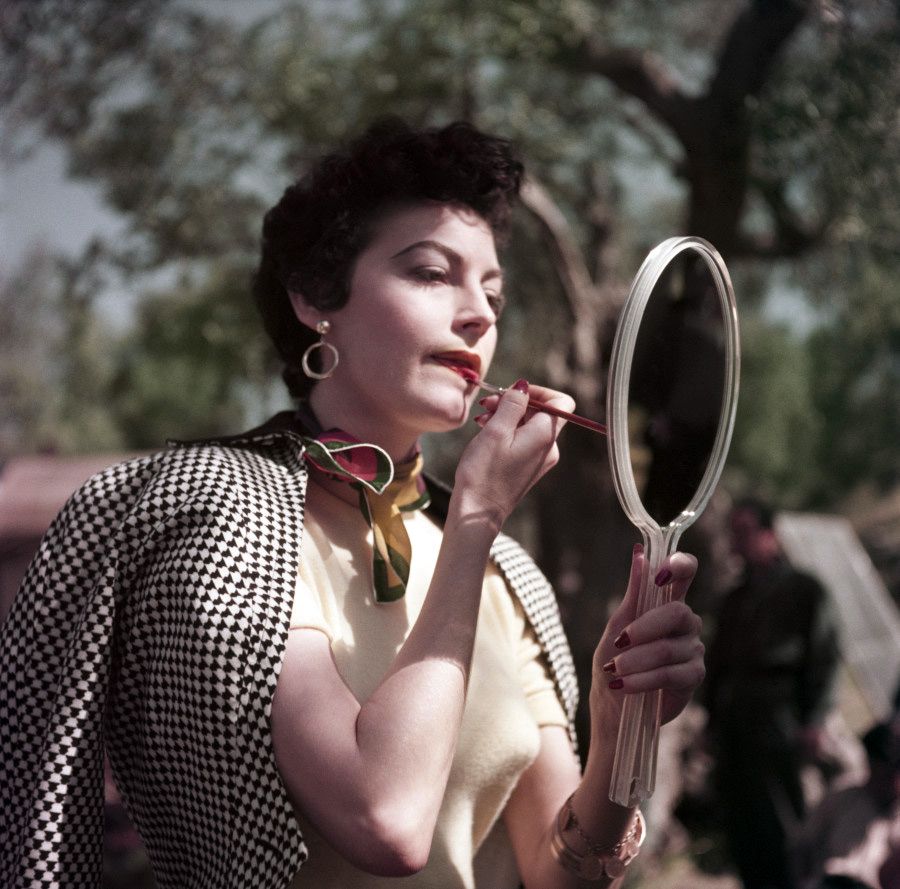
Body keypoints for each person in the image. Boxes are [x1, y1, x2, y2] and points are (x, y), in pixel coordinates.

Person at [0, 119, 705, 889]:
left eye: (493, 293)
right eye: (433, 274)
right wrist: (474, 518)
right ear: (313, 298)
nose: (478, 314)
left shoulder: (504, 572)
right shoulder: (214, 516)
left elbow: (557, 869)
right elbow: (386, 819)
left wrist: (614, 731)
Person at [705, 496, 842, 889]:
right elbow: (717, 664)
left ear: (770, 534)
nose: (738, 543)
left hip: (780, 716)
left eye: (746, 532)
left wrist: (815, 720)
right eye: (734, 534)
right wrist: (712, 720)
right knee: (743, 823)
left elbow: (826, 657)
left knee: (783, 820)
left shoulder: (804, 590)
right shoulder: (735, 598)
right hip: (736, 721)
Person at [793, 721, 900, 888]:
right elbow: (803, 844)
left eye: (886, 776)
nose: (875, 781)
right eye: (873, 769)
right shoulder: (847, 792)